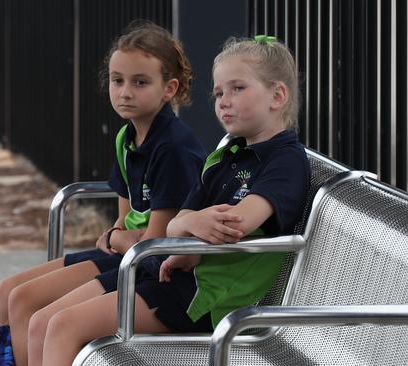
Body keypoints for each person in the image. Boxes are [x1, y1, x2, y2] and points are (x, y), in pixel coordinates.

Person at [39, 35, 310, 365]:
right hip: (167, 273)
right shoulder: (225, 156)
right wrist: (188, 224)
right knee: (47, 320)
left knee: (64, 327)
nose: (223, 100)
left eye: (237, 88)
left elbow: (234, 224)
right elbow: (178, 224)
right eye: (219, 92)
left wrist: (187, 227)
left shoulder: (285, 162)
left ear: (277, 95)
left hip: (207, 299)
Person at [0, 22, 207, 366]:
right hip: (128, 256)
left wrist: (120, 238)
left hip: (158, 272)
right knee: (13, 294)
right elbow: (125, 220)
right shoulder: (127, 137)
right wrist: (120, 236)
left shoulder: (174, 149)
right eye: (117, 79)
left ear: (169, 89)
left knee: (42, 319)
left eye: (140, 82)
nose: (125, 91)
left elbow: (155, 245)